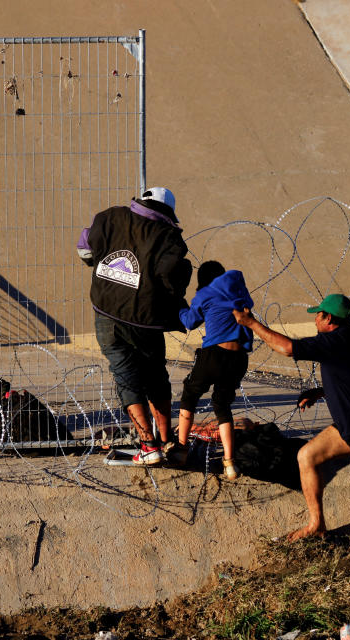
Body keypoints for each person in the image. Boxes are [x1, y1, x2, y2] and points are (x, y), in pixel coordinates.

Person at [233, 294, 350, 556]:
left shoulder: (333, 342)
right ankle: (317, 525)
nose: (315, 319)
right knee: (307, 456)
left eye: (318, 315)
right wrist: (321, 391)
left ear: (329, 319)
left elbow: (286, 348)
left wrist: (251, 323)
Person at [76, 187, 192, 465]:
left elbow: (85, 251)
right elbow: (171, 276)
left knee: (126, 377)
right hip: (146, 320)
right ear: (167, 212)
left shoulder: (110, 217)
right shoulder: (168, 237)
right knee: (155, 378)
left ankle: (147, 445)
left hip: (107, 316)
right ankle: (166, 441)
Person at [173, 261, 253, 479]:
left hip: (214, 355)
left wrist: (180, 307)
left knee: (190, 395)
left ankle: (181, 450)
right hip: (238, 358)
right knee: (222, 405)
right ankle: (229, 462)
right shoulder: (239, 292)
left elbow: (190, 322)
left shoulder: (206, 293)